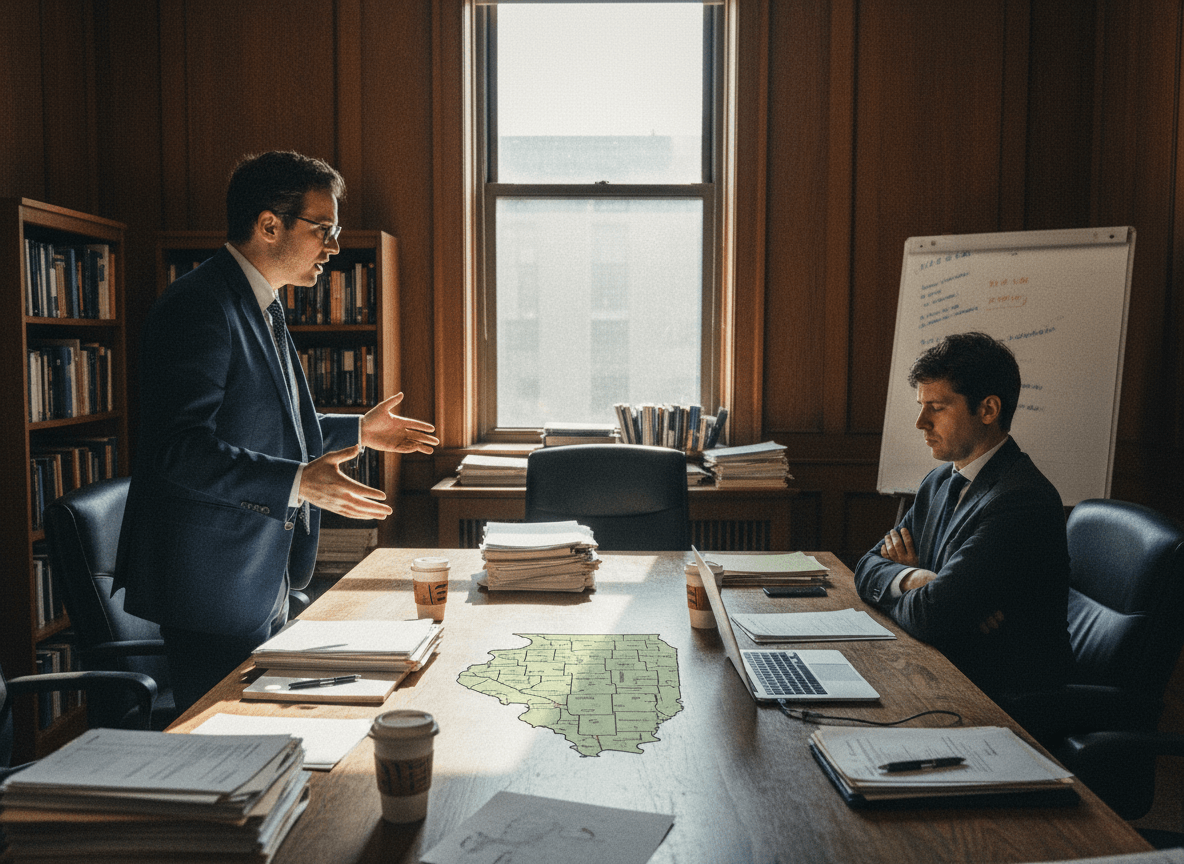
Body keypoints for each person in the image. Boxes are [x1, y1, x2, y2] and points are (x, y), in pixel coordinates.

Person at [115, 151, 439, 712]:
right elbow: (178, 450)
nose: (333, 246)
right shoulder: (199, 306)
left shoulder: (262, 302)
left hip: (259, 575)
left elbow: (269, 424)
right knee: (222, 740)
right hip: (212, 583)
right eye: (323, 229)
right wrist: (298, 482)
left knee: (265, 729)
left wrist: (359, 430)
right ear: (269, 225)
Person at [854, 331, 1071, 703]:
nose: (920, 422)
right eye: (921, 406)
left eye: (936, 407)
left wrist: (938, 600)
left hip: (1001, 694)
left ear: (988, 410)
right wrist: (918, 579)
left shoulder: (1022, 499)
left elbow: (933, 616)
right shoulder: (939, 481)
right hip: (942, 668)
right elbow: (865, 568)